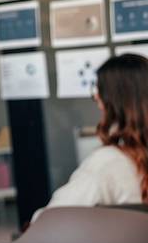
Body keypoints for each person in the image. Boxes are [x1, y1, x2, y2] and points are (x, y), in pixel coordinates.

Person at [32, 54, 148, 221]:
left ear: (110, 102)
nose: (96, 99)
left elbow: (50, 220)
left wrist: (35, 220)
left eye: (98, 92)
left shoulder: (108, 162)